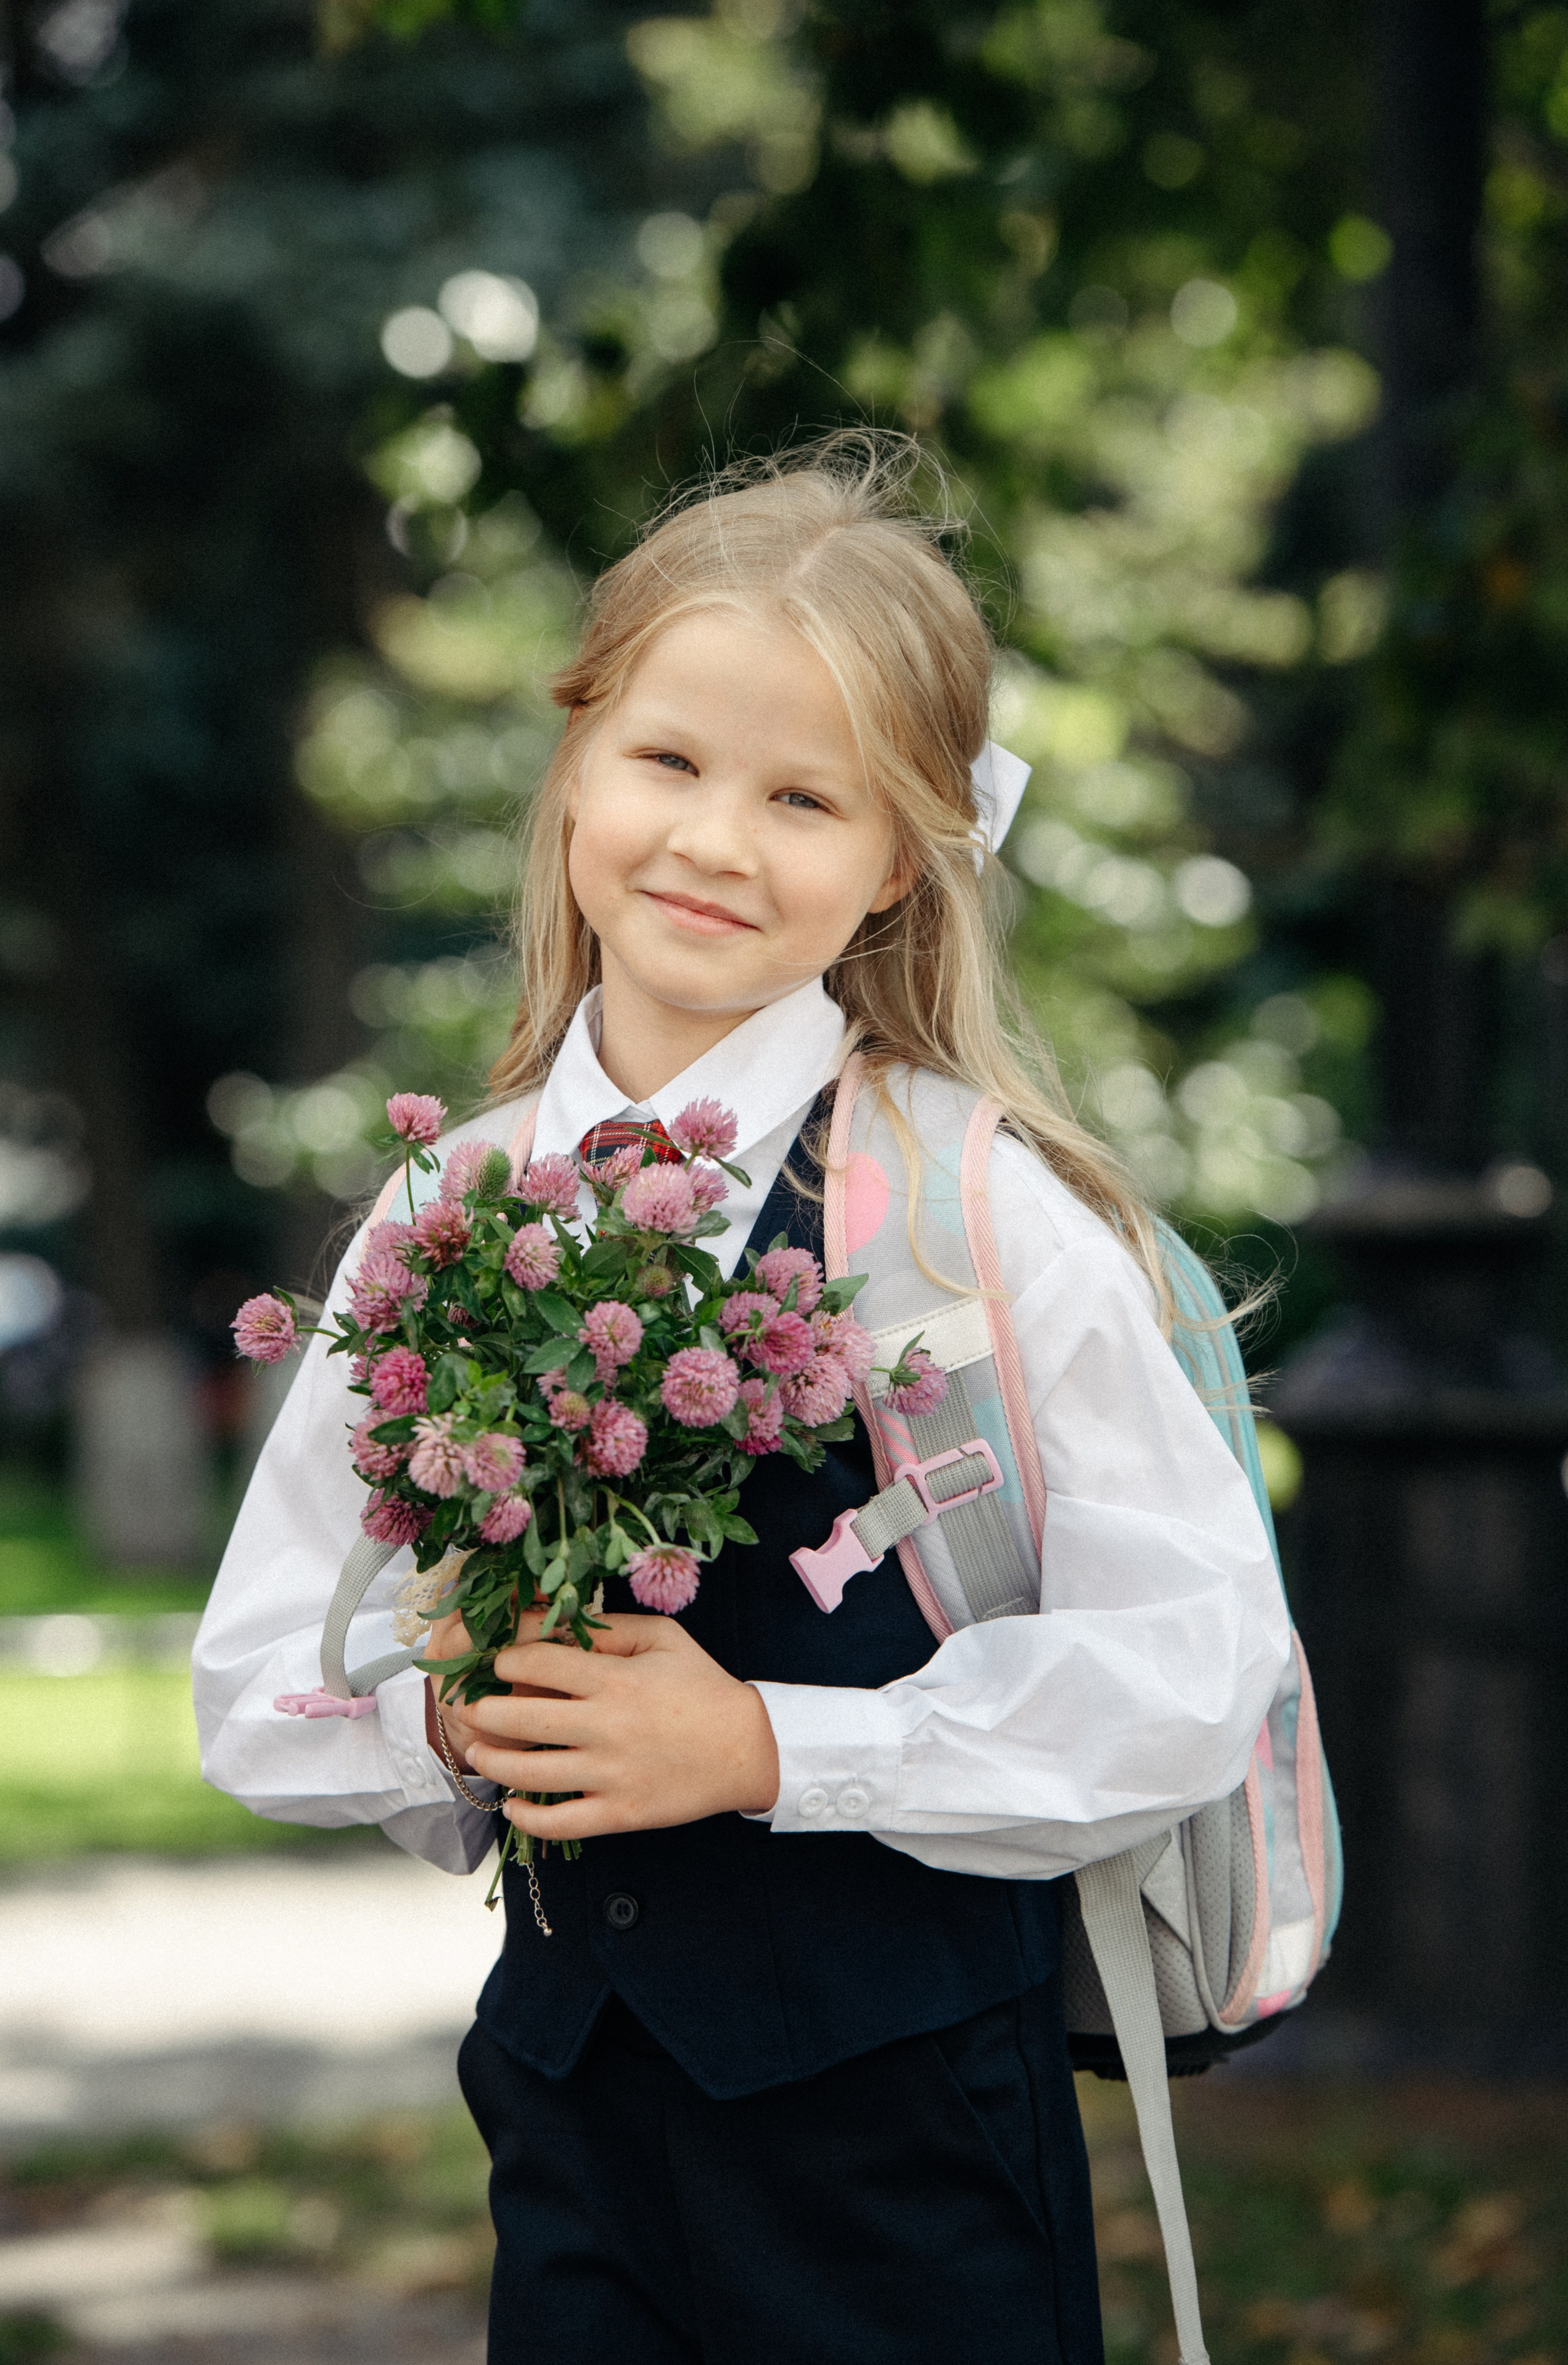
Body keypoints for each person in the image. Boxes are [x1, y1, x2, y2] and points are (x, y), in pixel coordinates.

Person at [194, 433, 1288, 2365]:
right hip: (570, 2128)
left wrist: (778, 1748)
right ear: (573, 768)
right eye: (671, 761)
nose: (714, 837)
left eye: (805, 796)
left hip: (901, 2163)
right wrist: (443, 1712)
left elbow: (1197, 1669)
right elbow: (260, 1669)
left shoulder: (971, 1214)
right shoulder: (455, 1205)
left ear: (897, 861)